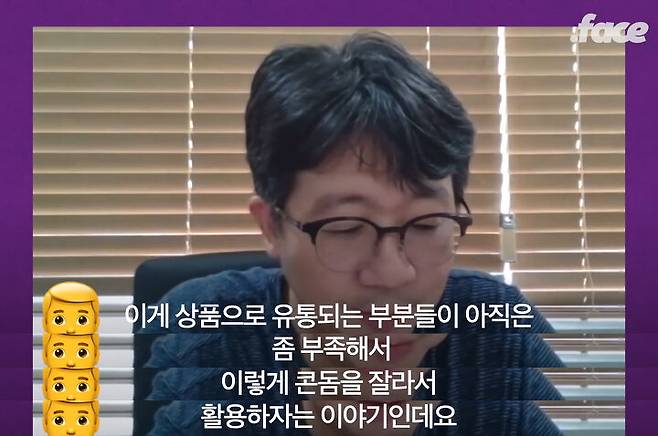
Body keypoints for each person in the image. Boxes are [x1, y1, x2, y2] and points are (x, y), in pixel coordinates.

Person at [139, 32, 565, 435]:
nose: (394, 273)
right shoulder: (211, 328)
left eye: (426, 224)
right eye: (346, 228)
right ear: (272, 226)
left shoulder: (491, 324)